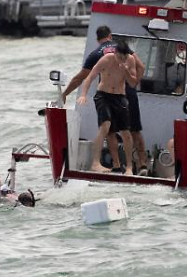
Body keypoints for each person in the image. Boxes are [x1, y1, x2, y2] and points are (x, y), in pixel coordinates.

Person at [62, 26, 148, 176]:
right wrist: (133, 86)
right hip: (118, 93)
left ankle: (119, 165)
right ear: (110, 36)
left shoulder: (97, 53)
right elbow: (142, 67)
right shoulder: (114, 54)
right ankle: (141, 165)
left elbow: (80, 77)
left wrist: (65, 94)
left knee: (115, 131)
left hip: (120, 94)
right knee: (130, 129)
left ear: (97, 39)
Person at [77, 41, 137, 175]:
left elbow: (133, 83)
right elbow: (90, 77)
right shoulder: (106, 59)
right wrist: (83, 95)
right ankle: (95, 163)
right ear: (115, 53)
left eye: (124, 58)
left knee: (126, 133)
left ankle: (128, 167)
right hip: (103, 95)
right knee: (105, 126)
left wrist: (126, 71)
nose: (122, 60)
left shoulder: (130, 60)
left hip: (119, 97)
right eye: (120, 57)